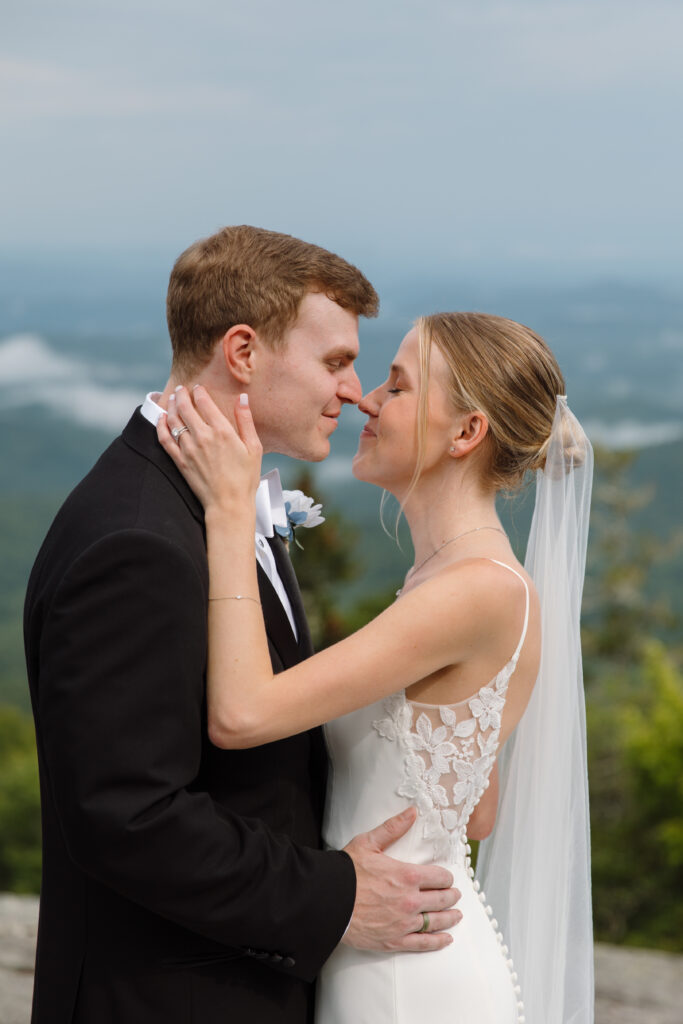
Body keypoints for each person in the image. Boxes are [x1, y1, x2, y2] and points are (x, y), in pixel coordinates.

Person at [23, 226, 464, 1024]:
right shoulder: (137, 539)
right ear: (242, 352)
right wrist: (332, 896)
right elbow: (127, 813)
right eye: (333, 361)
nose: (355, 391)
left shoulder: (218, 506)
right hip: (171, 998)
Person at [158, 310, 595, 1023]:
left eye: (396, 387)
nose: (366, 398)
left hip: (405, 981)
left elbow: (241, 715)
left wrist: (231, 511)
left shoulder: (474, 590)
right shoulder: (452, 581)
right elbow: (476, 811)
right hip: (386, 947)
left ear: (465, 433)